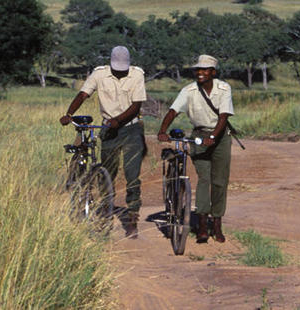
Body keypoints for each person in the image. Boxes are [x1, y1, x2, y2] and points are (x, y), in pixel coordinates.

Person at [60, 45, 146, 238]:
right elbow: (83, 94)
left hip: (131, 128)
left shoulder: (137, 75)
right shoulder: (99, 74)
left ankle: (132, 218)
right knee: (107, 173)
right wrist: (69, 114)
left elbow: (136, 105)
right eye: (117, 68)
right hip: (108, 130)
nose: (120, 71)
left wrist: (119, 120)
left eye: (123, 68)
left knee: (132, 175)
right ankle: (105, 212)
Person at [158, 54, 233, 243]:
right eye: (198, 69)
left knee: (219, 182)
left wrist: (214, 136)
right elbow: (173, 111)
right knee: (204, 179)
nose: (200, 73)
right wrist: (162, 130)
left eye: (205, 70)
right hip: (199, 136)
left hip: (220, 137)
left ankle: (216, 223)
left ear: (213, 72)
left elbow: (223, 116)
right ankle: (201, 225)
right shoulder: (189, 90)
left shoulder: (224, 88)